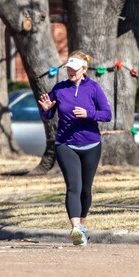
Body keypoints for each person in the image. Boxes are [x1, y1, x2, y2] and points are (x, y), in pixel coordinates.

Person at [38, 50, 112, 246]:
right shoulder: (60, 88)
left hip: (91, 143)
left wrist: (89, 113)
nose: (71, 72)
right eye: (69, 68)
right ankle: (76, 228)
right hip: (65, 143)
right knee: (73, 186)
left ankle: (83, 225)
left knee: (85, 189)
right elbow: (49, 114)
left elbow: (106, 115)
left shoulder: (94, 88)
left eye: (74, 69)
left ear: (84, 69)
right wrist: (46, 111)